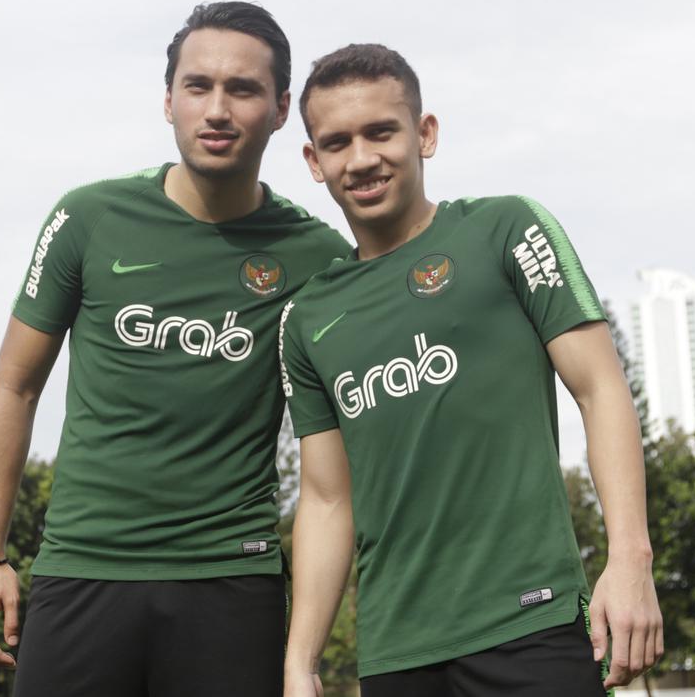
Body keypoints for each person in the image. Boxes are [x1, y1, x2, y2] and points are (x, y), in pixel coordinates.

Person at [0, 2, 350, 697]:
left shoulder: (318, 257)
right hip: (82, 569)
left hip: (230, 579)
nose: (217, 109)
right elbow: (14, 387)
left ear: (282, 107)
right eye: (197, 86)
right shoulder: (87, 218)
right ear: (167, 99)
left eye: (243, 89)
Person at [278, 43, 663, 697]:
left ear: (424, 134)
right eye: (337, 142)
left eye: (381, 131)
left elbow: (599, 389)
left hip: (531, 623)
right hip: (396, 651)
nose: (362, 157)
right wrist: (299, 661)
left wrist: (629, 559)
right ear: (314, 162)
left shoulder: (505, 230)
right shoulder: (306, 318)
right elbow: (324, 497)